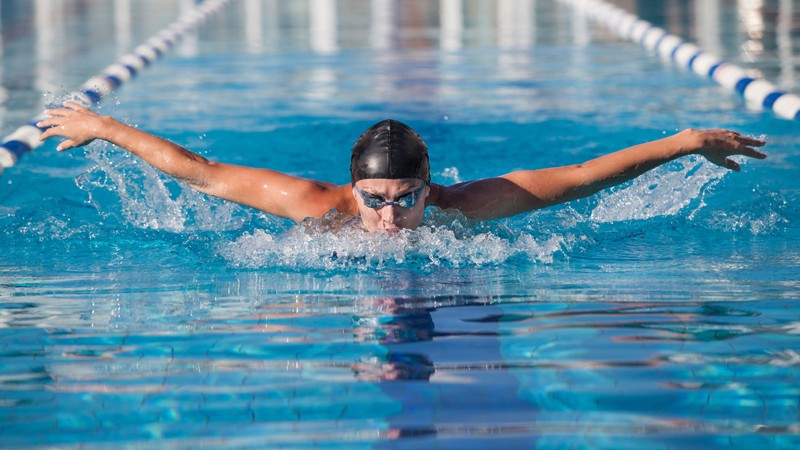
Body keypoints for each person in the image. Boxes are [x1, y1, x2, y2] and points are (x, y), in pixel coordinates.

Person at [38, 101, 767, 232]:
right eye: (376, 199)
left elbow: (581, 178)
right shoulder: (316, 207)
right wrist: (103, 127)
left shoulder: (468, 206)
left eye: (405, 198)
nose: (391, 215)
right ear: (353, 187)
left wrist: (683, 142)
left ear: (430, 184)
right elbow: (199, 172)